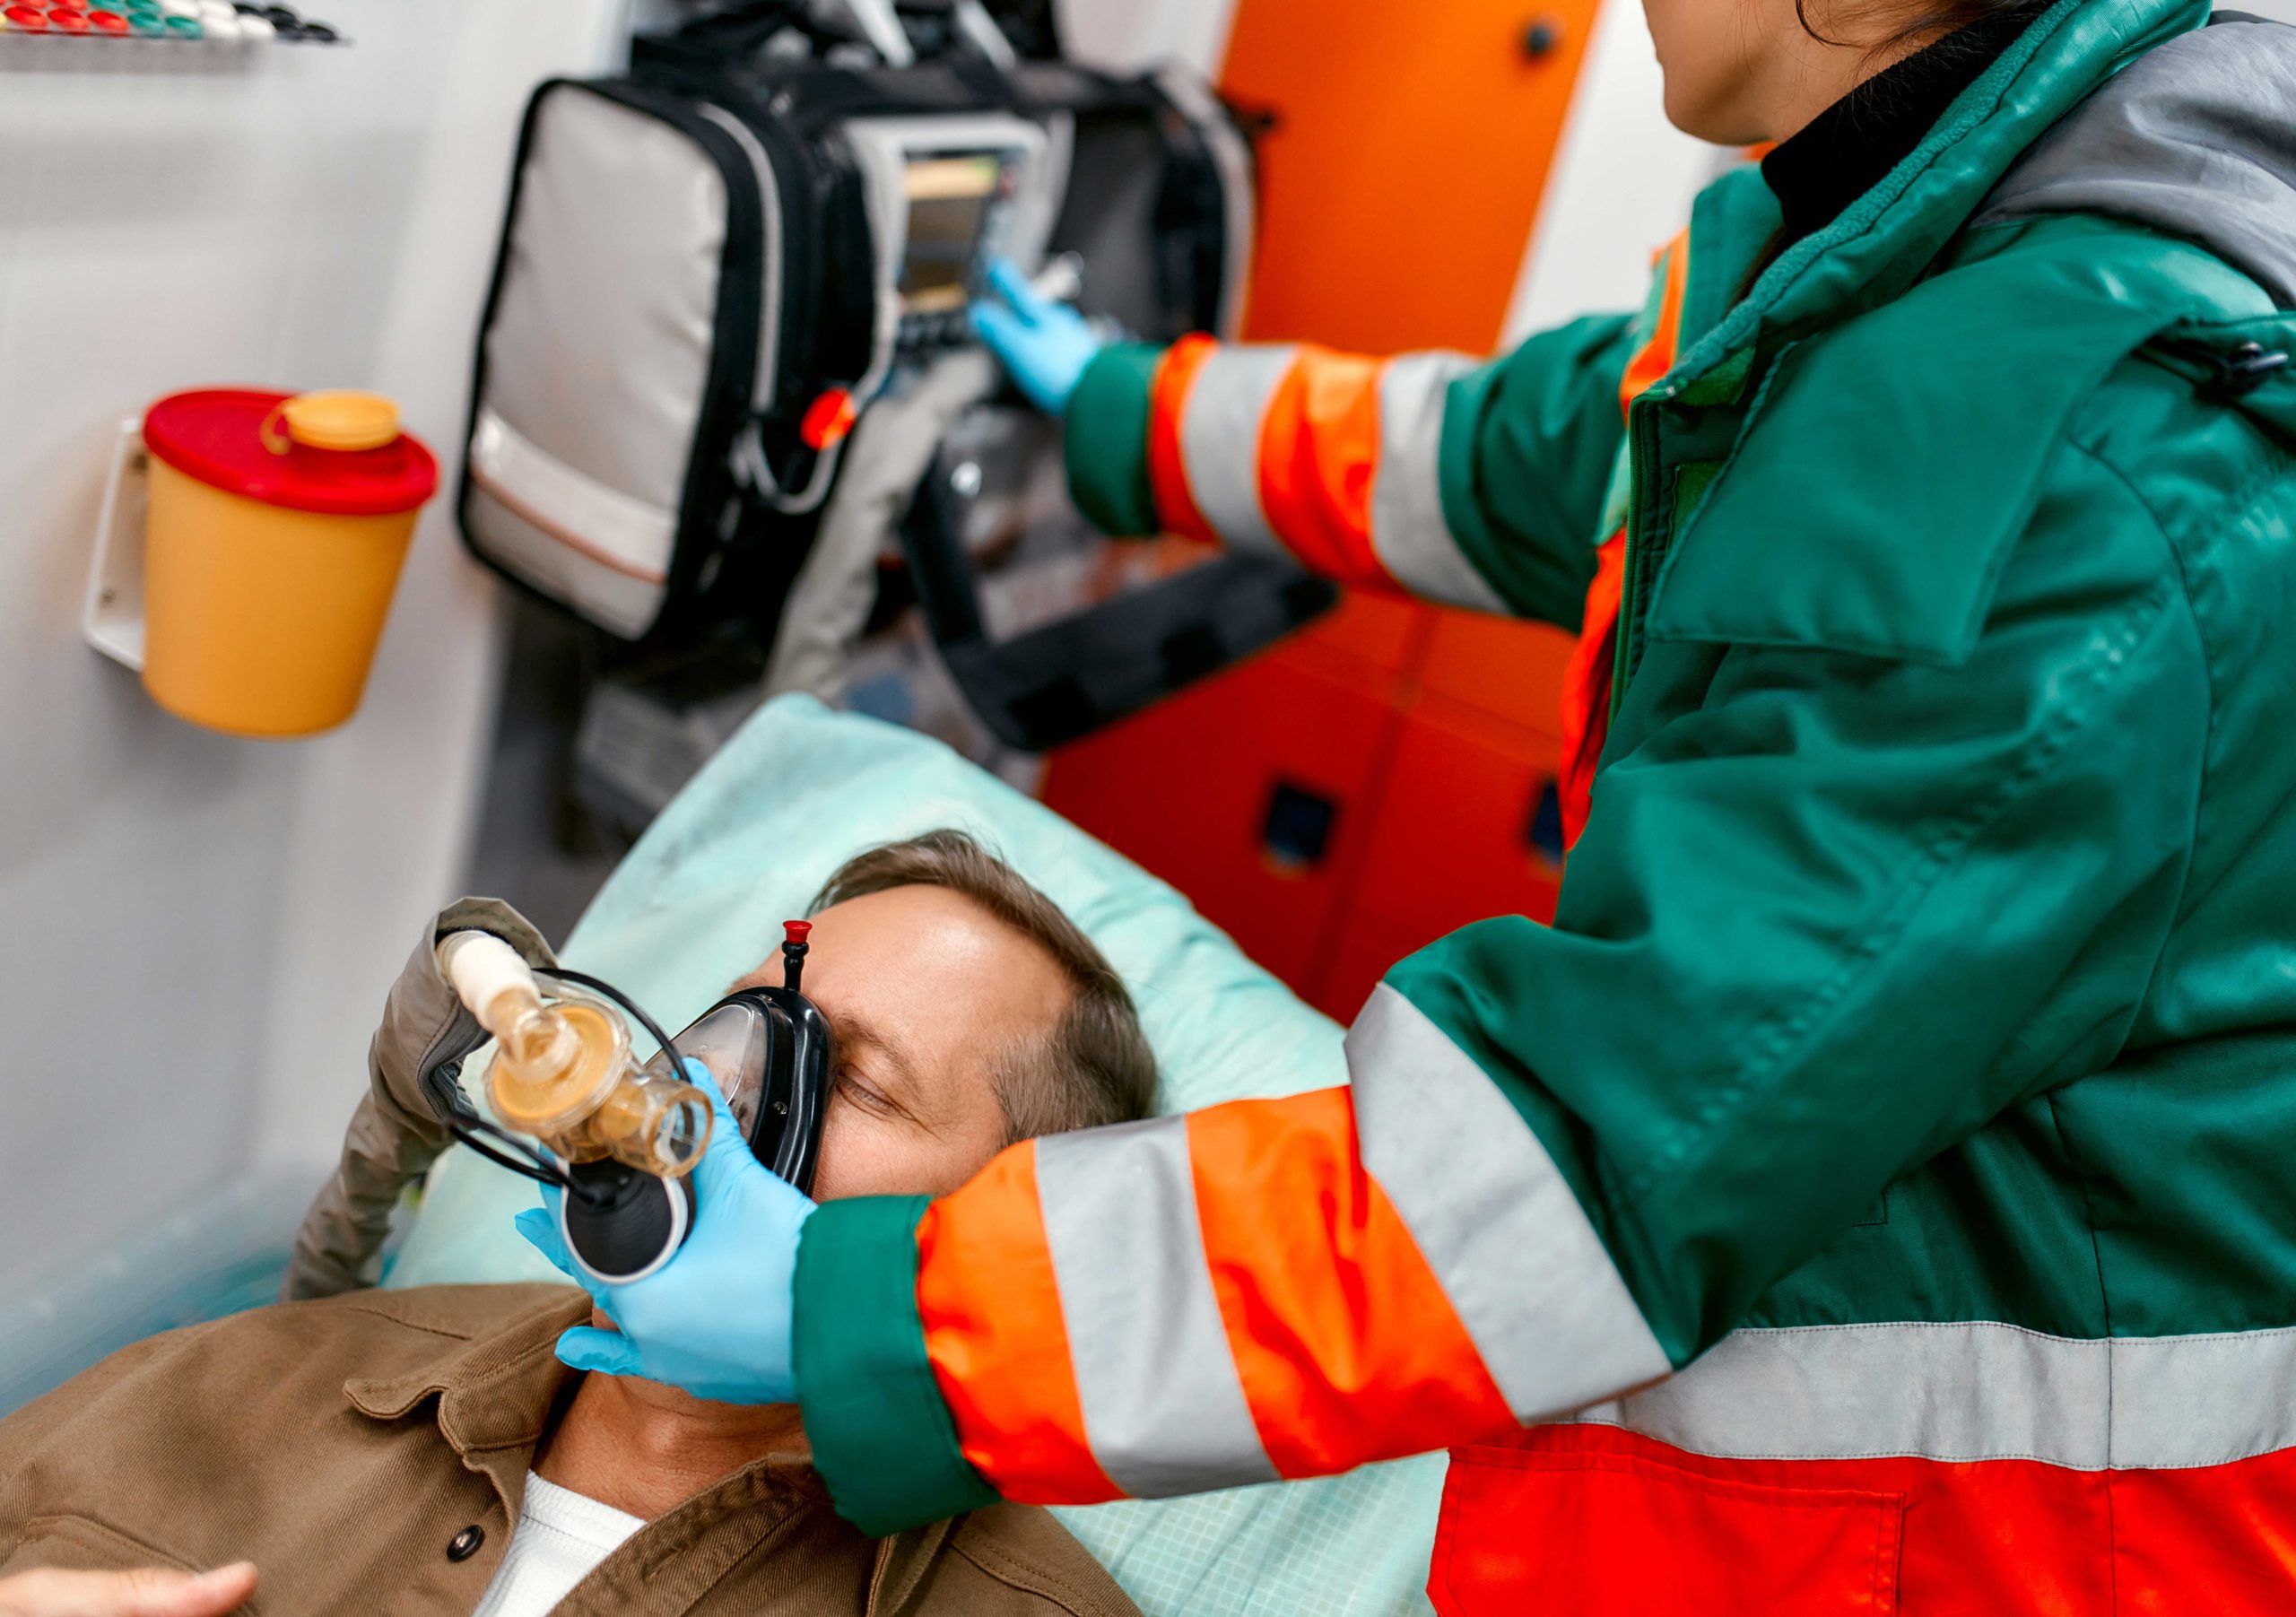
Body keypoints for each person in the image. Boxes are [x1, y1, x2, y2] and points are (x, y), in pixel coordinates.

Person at [522, 0, 2296, 1610]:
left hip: (2008, 1558)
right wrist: (1121, 407)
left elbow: (1559, 1171)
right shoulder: (1899, 240)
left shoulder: (2092, 485)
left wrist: (873, 1311)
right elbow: (1508, 453)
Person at [0, 833, 1157, 1617]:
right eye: (747, 1020)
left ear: (1019, 1245)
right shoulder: (270, 1380)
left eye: (856, 1081)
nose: (722, 1094)